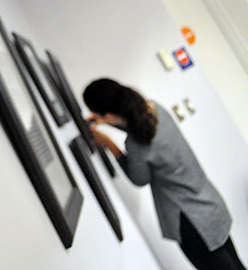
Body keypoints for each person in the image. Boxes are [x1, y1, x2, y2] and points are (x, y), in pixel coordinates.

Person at [82, 78, 245, 270]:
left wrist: (110, 144)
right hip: (210, 207)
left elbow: (140, 179)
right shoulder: (154, 109)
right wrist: (108, 123)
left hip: (192, 222)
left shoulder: (137, 144)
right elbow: (136, 125)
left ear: (109, 115)